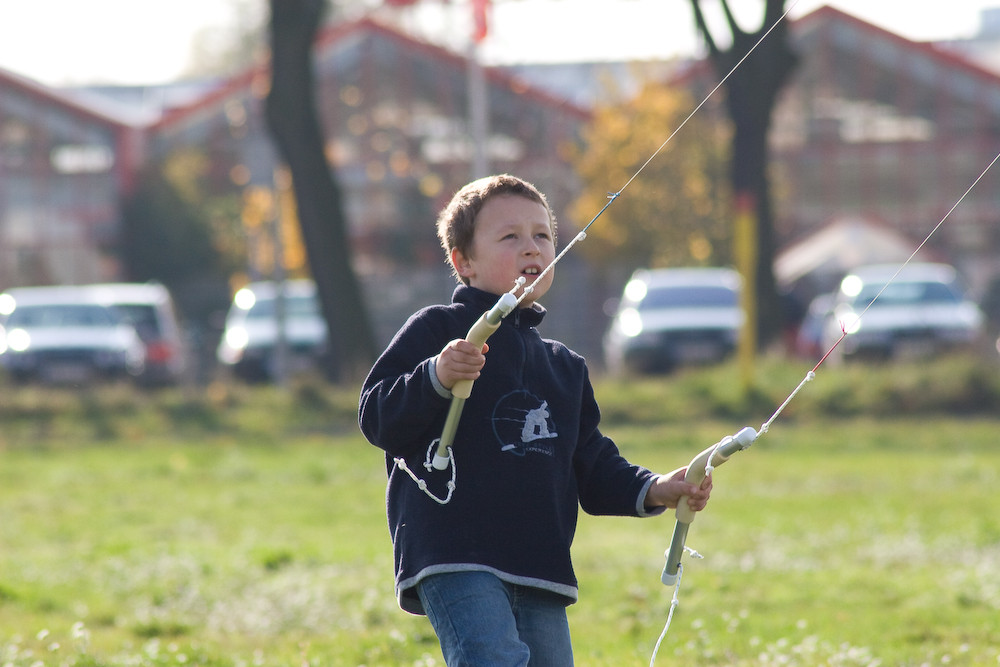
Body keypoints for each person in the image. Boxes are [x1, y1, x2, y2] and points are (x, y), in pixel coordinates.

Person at [358, 174, 713, 666]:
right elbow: (378, 416)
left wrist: (657, 488)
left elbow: (590, 464)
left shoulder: (564, 366)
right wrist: (436, 375)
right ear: (464, 262)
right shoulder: (437, 330)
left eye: (543, 235)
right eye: (509, 237)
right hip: (455, 553)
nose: (532, 248)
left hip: (539, 563)